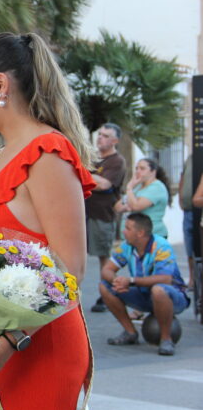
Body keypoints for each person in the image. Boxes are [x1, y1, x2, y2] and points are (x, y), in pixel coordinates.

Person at [0, 32, 95, 410]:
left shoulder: (47, 151)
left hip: (38, 348)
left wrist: (8, 340)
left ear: (1, 85)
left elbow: (71, 266)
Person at [100, 212, 190, 356]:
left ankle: (166, 339)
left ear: (140, 233)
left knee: (159, 290)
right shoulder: (127, 246)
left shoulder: (161, 246)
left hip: (173, 296)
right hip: (144, 293)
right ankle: (130, 332)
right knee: (105, 286)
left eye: (128, 228)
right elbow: (107, 270)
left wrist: (130, 281)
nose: (124, 231)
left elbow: (165, 279)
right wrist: (116, 281)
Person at [87, 123, 127, 313]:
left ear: (115, 141)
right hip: (84, 213)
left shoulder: (116, 161)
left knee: (104, 256)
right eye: (100, 134)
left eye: (105, 135)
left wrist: (83, 176)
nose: (100, 138)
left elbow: (104, 184)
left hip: (102, 215)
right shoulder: (92, 158)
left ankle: (105, 294)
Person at [114, 158, 170, 238]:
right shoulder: (138, 186)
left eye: (142, 168)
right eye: (136, 168)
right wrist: (128, 204)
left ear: (153, 172)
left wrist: (129, 187)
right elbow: (117, 207)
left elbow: (136, 206)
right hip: (132, 237)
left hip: (151, 236)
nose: (138, 171)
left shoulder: (156, 188)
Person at [178, 155, 194, 286]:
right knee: (189, 246)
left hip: (198, 209)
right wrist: (180, 197)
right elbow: (182, 177)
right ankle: (192, 279)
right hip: (188, 209)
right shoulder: (190, 158)